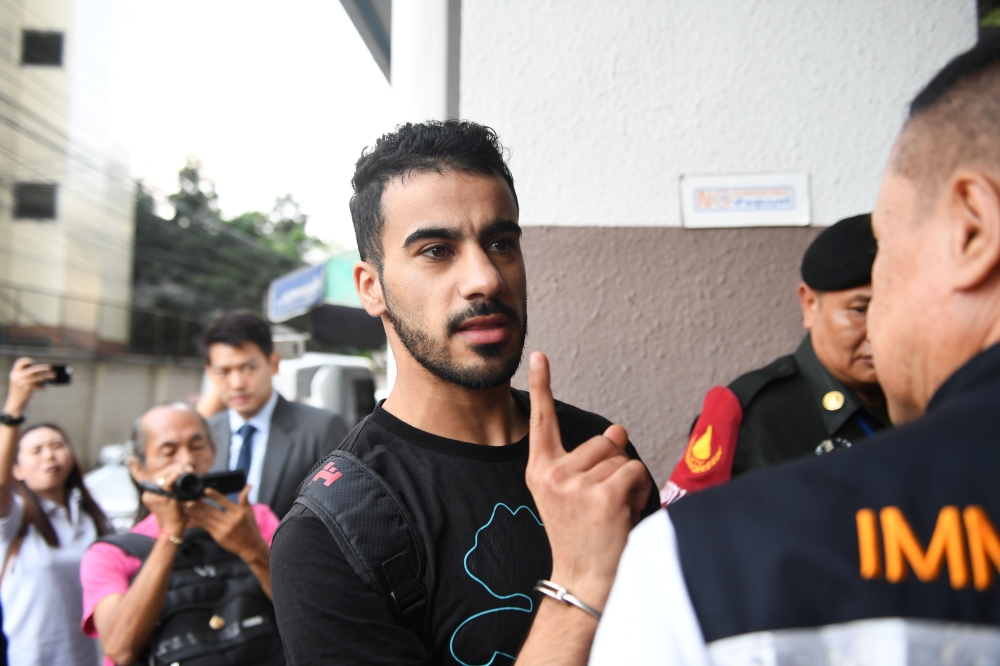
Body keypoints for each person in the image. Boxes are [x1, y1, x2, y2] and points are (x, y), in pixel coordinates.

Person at [515, 37, 1000, 666]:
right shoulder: (745, 408)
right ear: (808, 304)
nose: (876, 318)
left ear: (972, 228)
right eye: (856, 304)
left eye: (888, 259)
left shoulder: (698, 567)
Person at [269, 120, 661, 665]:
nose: (486, 278)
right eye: (436, 250)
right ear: (371, 287)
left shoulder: (597, 450)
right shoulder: (330, 535)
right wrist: (578, 582)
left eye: (501, 243)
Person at [662, 213, 892, 504]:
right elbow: (684, 534)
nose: (879, 331)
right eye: (859, 310)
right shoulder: (750, 412)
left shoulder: (929, 397)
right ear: (810, 305)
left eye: (896, 308)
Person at [79, 402, 281, 665]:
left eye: (197, 447)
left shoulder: (256, 520)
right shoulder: (110, 554)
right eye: (168, 451)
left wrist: (253, 550)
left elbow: (305, 612)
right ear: (139, 469)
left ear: (212, 452)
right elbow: (119, 648)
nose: (186, 462)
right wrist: (170, 535)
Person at [0, 358, 109, 666]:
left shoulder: (92, 517)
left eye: (57, 445)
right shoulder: (15, 519)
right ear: (16, 469)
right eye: (36, 450)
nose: (50, 455)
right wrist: (13, 409)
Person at [203, 311, 348, 518]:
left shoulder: (321, 429)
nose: (237, 384)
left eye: (248, 368)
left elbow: (341, 514)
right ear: (210, 373)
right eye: (224, 372)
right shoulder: (205, 434)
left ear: (274, 363)